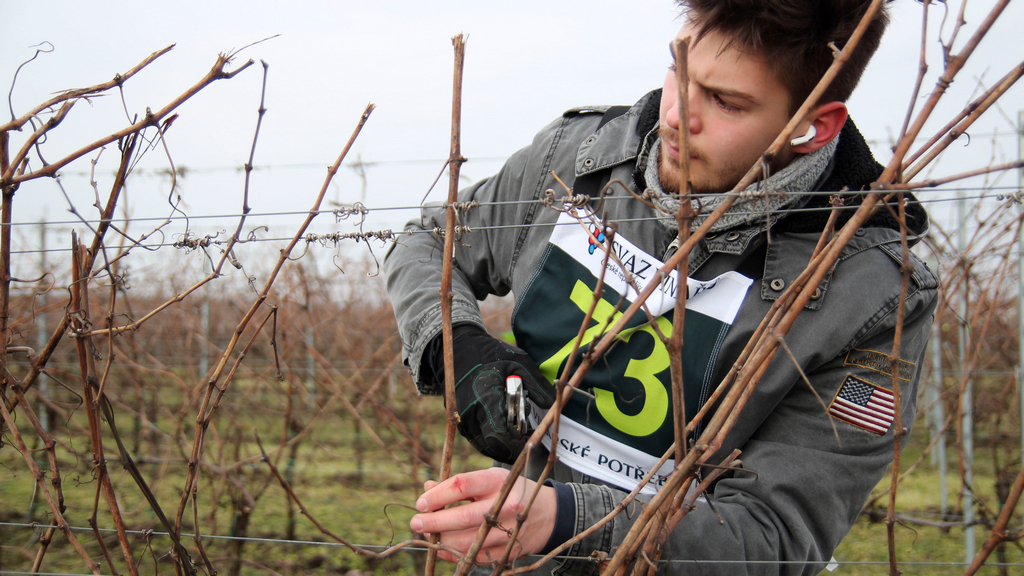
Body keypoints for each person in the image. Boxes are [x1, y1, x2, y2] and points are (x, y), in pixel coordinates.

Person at [384, 0, 938, 574]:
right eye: (679, 71)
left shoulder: (871, 295)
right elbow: (431, 241)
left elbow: (775, 538)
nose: (675, 115)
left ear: (814, 127)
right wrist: (454, 347)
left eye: (726, 102)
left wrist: (564, 520)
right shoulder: (577, 159)